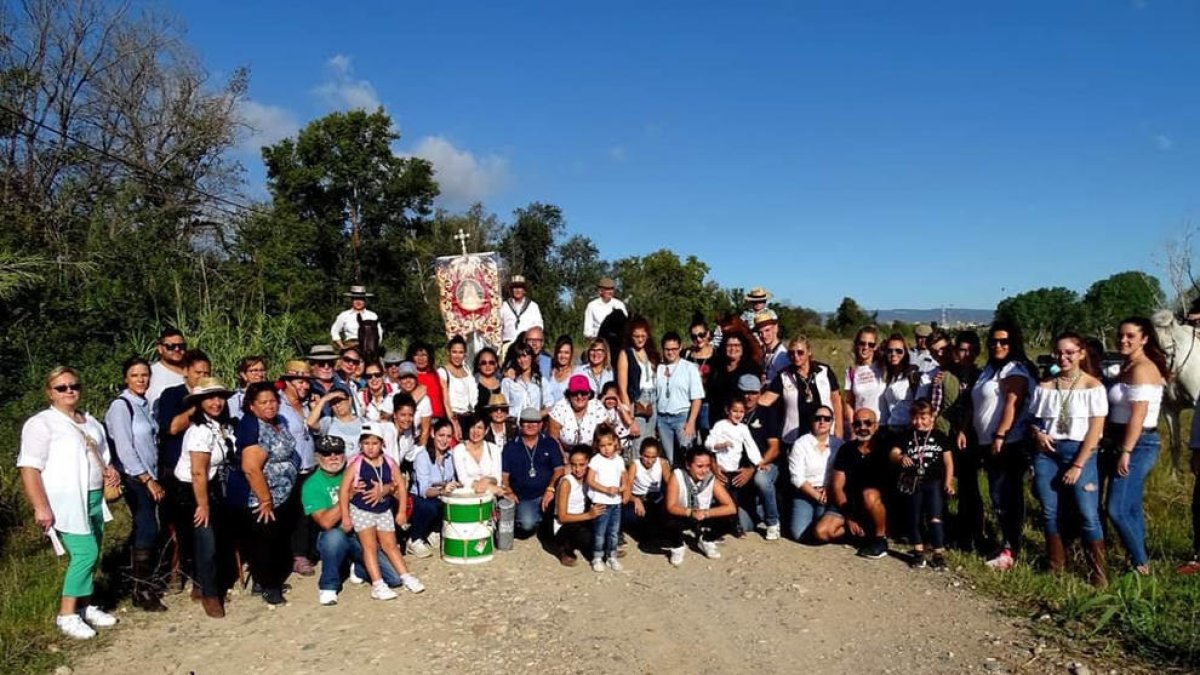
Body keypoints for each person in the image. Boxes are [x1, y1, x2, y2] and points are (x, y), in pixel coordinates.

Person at [19, 366, 122, 640]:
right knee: (84, 554)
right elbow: (29, 467)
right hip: (64, 499)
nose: (69, 391)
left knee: (94, 551)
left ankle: (85, 605)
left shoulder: (89, 421)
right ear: (50, 393)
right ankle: (66, 614)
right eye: (61, 387)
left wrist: (110, 471)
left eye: (73, 385)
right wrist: (40, 506)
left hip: (93, 496)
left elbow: (103, 456)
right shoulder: (41, 423)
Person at [1029, 332, 1109, 586]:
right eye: (1059, 353)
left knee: (1087, 513)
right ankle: (1056, 566)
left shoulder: (1093, 387)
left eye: (1069, 353)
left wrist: (1078, 465)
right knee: (1050, 510)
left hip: (1079, 450)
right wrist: (1039, 434)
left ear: (1081, 354)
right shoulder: (1046, 386)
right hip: (1048, 453)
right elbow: (1034, 419)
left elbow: (1096, 429)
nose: (1063, 358)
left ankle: (1098, 573)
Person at [302, 436, 404, 606]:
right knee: (333, 538)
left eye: (338, 453)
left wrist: (385, 489)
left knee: (394, 578)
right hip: (334, 534)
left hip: (362, 533)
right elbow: (325, 522)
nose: (333, 457)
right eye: (327, 454)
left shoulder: (357, 469)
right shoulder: (312, 484)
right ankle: (328, 586)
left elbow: (396, 486)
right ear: (318, 457)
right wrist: (348, 495)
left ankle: (358, 567)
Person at [970, 321, 1037, 571]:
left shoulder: (1015, 369)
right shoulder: (991, 368)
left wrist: (1000, 435)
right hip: (988, 442)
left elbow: (1013, 403)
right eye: (993, 341)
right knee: (998, 496)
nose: (998, 345)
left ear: (1013, 343)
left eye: (1004, 341)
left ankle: (1011, 549)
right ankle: (1006, 544)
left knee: (1005, 496)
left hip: (1008, 442)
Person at [1105, 317, 1168, 576]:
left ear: (1144, 339)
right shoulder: (1127, 365)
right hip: (1124, 440)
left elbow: (1139, 415)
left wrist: (1126, 451)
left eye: (1130, 336)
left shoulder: (1142, 368)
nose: (1123, 340)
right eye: (1120, 335)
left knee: (1116, 508)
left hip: (1138, 442)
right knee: (1129, 506)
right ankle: (1136, 558)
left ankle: (1141, 564)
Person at [228, 382, 299, 605]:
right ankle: (269, 586)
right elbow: (251, 467)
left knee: (276, 539)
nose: (270, 406)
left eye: (273, 401)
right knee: (264, 541)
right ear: (251, 406)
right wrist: (265, 499)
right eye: (263, 402)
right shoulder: (252, 426)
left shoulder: (278, 422)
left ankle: (269, 579)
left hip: (283, 493)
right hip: (262, 496)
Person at [105, 356, 166, 612]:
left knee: (148, 527)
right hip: (134, 476)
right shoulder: (121, 406)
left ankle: (142, 581)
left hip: (148, 473)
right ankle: (141, 588)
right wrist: (147, 479)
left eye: (145, 375)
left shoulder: (144, 405)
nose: (141, 380)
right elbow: (125, 448)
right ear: (125, 378)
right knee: (147, 526)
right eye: (135, 375)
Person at [338, 423, 423, 600]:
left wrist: (401, 512)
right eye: (366, 443)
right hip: (362, 509)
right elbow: (344, 490)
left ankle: (406, 576)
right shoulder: (356, 464)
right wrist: (346, 516)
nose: (370, 447)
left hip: (383, 509)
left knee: (390, 545)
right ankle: (377, 584)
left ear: (382, 443)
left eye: (374, 443)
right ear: (361, 444)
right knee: (369, 547)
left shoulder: (389, 462)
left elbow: (400, 485)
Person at [174, 377, 236, 617]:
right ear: (199, 402)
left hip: (210, 486)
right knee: (206, 540)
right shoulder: (199, 431)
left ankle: (202, 585)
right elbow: (197, 471)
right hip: (192, 490)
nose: (216, 402)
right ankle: (210, 594)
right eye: (210, 398)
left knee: (214, 538)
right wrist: (202, 504)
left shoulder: (218, 426)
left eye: (219, 397)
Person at [155, 348, 211, 592]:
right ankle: (175, 571)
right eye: (198, 372)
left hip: (203, 469)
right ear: (186, 372)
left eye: (206, 373)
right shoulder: (172, 395)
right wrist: (196, 406)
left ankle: (201, 576)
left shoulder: (213, 395)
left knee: (201, 523)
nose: (202, 377)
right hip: (174, 469)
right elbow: (172, 427)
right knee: (176, 526)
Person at [812, 408, 890, 559]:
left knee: (869, 494)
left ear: (876, 426)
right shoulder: (846, 449)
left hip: (875, 504)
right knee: (821, 532)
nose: (863, 427)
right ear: (853, 427)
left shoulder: (884, 448)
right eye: (858, 424)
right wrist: (849, 516)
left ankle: (880, 539)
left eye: (868, 423)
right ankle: (858, 535)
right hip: (849, 504)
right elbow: (837, 486)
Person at [888, 400, 955, 570]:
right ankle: (918, 551)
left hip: (934, 483)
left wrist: (948, 482)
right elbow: (893, 452)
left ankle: (938, 552)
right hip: (913, 483)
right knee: (914, 517)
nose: (919, 422)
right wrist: (900, 458)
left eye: (923, 417)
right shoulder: (907, 435)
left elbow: (948, 462)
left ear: (932, 417)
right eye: (915, 418)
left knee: (935, 517)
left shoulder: (940, 436)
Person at [706, 398, 773, 539]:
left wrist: (759, 462)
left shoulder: (743, 428)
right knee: (720, 499)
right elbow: (708, 442)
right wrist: (719, 445)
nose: (738, 414)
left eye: (741, 411)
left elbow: (751, 446)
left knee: (734, 500)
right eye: (734, 411)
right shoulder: (720, 425)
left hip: (734, 471)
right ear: (727, 411)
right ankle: (716, 528)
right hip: (721, 470)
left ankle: (735, 526)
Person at [758, 335, 844, 443]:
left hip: (826, 436)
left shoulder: (824, 371)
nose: (796, 356)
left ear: (809, 352)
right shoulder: (784, 376)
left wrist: (839, 430)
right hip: (794, 438)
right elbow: (766, 400)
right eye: (791, 353)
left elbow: (836, 401)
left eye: (800, 352)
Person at [663, 447, 738, 565]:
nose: (704, 470)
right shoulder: (677, 475)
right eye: (699, 466)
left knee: (730, 517)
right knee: (667, 519)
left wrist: (706, 513)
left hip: (703, 514)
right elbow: (671, 506)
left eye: (707, 466)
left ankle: (706, 539)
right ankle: (678, 546)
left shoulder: (710, 478)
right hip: (684, 513)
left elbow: (730, 507)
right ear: (688, 465)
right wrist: (691, 512)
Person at [278, 360, 318, 577]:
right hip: (289, 468)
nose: (304, 386)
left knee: (306, 512)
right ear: (288, 381)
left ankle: (303, 552)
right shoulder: (278, 404)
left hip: (308, 464)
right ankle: (293, 555)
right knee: (289, 512)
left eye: (306, 382)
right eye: (299, 381)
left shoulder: (306, 405)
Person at [501, 408, 565, 536]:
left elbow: (559, 469)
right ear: (520, 424)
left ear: (541, 424)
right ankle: (536, 518)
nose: (531, 425)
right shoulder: (511, 447)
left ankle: (544, 521)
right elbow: (504, 475)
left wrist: (550, 489)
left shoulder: (550, 443)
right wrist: (509, 492)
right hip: (524, 497)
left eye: (535, 422)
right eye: (526, 422)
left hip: (548, 493)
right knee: (527, 524)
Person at [787, 405, 843, 542]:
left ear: (832, 422)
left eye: (827, 419)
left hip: (829, 492)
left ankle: (845, 532)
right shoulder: (801, 444)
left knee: (820, 531)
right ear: (811, 421)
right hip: (806, 492)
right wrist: (817, 496)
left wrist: (829, 491)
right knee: (799, 534)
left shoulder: (839, 444)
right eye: (818, 418)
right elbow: (797, 478)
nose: (822, 422)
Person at [407, 419, 460, 558]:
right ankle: (414, 539)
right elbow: (424, 490)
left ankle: (433, 531)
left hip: (440, 495)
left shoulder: (451, 457)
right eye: (441, 435)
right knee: (429, 506)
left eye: (449, 436)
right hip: (421, 498)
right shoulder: (422, 457)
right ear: (432, 434)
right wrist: (443, 490)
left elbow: (452, 479)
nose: (445, 440)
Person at [553, 446, 606, 566]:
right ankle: (564, 550)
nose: (577, 469)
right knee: (586, 538)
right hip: (565, 524)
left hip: (582, 519)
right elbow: (562, 516)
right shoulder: (566, 483)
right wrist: (589, 515)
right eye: (574, 465)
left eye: (582, 465)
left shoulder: (589, 480)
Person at [587, 424, 627, 572]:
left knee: (613, 531)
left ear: (615, 442)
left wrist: (620, 489)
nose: (607, 448)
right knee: (600, 532)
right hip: (601, 502)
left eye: (609, 444)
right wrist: (605, 489)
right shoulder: (596, 460)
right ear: (597, 445)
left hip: (615, 503)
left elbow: (625, 480)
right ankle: (597, 557)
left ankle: (612, 556)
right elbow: (590, 480)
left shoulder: (619, 460)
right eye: (602, 445)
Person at [616, 317, 660, 444]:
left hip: (653, 399)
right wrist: (630, 419)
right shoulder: (626, 354)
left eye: (643, 336)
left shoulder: (651, 353)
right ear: (631, 336)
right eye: (636, 336)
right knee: (637, 442)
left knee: (650, 441)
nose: (640, 339)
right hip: (637, 400)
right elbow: (622, 388)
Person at [623, 438, 671, 546]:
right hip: (639, 497)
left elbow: (670, 483)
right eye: (646, 456)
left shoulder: (662, 463)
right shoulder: (635, 465)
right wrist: (635, 499)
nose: (649, 461)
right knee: (631, 516)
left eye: (653, 457)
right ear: (640, 453)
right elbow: (627, 487)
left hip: (656, 497)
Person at [879, 335, 927, 437]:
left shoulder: (912, 375)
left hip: (908, 429)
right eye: (889, 351)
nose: (893, 354)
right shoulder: (889, 376)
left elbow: (920, 405)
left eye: (899, 351)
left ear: (906, 353)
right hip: (890, 429)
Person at [452, 414, 506, 497]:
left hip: (490, 496)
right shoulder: (459, 450)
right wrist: (489, 487)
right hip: (467, 495)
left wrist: (486, 480)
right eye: (472, 427)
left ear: (486, 430)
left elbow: (497, 478)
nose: (475, 431)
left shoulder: (493, 449)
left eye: (479, 428)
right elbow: (463, 480)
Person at [843, 326, 885, 432]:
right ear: (857, 344)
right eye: (862, 343)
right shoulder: (851, 371)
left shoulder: (884, 367)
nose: (866, 347)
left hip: (882, 425)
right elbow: (849, 402)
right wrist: (853, 427)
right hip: (862, 427)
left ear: (876, 347)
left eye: (871, 344)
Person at [549, 375, 609, 448]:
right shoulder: (559, 408)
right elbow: (554, 440)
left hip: (593, 452)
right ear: (569, 394)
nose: (579, 396)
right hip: (565, 453)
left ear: (589, 393)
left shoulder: (597, 407)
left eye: (583, 393)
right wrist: (564, 458)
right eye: (575, 393)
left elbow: (606, 436)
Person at [307, 384, 362, 459]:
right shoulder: (328, 422)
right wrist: (324, 400)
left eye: (340, 400)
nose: (337, 405)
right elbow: (310, 423)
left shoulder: (364, 422)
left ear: (349, 400)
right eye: (333, 402)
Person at [684, 315, 717, 439]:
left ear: (708, 333)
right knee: (688, 440)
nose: (698, 339)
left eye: (701, 335)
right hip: (689, 404)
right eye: (694, 336)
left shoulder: (716, 355)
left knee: (708, 440)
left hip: (708, 404)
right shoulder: (686, 355)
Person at [439, 335, 478, 438]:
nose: (457, 356)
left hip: (469, 416)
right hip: (454, 417)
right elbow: (446, 401)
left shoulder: (467, 370)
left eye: (460, 352)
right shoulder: (443, 372)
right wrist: (454, 423)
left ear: (465, 354)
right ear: (449, 352)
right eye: (454, 352)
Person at [146, 328, 187, 414]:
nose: (177, 349)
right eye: (170, 347)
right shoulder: (150, 373)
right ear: (160, 348)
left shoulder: (193, 372)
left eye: (181, 346)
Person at [500, 275, 544, 351]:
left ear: (524, 290)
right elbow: (498, 326)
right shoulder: (504, 306)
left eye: (520, 287)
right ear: (511, 290)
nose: (517, 290)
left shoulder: (533, 306)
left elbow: (539, 327)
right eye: (515, 287)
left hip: (527, 346)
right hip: (507, 346)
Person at [330, 285, 383, 350]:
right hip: (350, 346)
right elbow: (334, 331)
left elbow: (379, 333)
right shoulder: (344, 315)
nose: (358, 302)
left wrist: (375, 346)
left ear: (364, 300)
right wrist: (341, 346)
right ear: (351, 300)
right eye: (355, 299)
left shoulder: (372, 315)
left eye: (361, 299)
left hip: (369, 346)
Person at [501, 342, 544, 418]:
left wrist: (536, 417)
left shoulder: (540, 381)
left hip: (534, 424)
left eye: (525, 356)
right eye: (519, 357)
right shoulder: (508, 382)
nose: (522, 360)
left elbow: (549, 405)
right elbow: (504, 408)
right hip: (514, 424)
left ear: (531, 357)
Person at [395, 362, 432, 445]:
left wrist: (421, 450)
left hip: (414, 442)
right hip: (395, 440)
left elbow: (425, 431)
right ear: (399, 380)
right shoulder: (393, 397)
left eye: (411, 377)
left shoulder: (425, 400)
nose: (408, 381)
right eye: (404, 377)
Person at [407, 341, 445, 420]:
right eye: (416, 355)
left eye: (424, 355)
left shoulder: (436, 374)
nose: (420, 358)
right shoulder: (409, 377)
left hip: (439, 419)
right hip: (421, 419)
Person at [227, 355, 268, 420]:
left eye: (262, 370)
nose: (260, 374)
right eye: (254, 371)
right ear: (243, 375)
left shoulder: (272, 394)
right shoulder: (236, 399)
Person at [542, 336, 575, 409]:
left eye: (566, 353)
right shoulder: (549, 371)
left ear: (571, 354)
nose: (563, 356)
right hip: (548, 414)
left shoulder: (575, 374)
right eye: (560, 352)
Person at [473, 347, 504, 414]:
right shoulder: (473, 382)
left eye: (491, 362)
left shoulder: (503, 383)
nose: (488, 366)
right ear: (478, 365)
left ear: (496, 364)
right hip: (477, 422)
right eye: (484, 363)